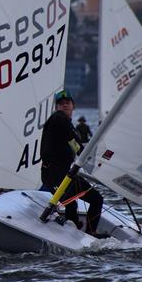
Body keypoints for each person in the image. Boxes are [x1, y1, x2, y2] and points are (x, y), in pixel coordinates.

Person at [40, 90, 104, 236]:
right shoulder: (58, 118)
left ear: (73, 106)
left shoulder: (68, 125)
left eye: (67, 103)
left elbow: (75, 144)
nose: (64, 106)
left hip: (65, 175)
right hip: (53, 175)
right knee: (71, 201)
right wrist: (83, 151)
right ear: (56, 107)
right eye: (61, 104)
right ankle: (80, 231)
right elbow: (74, 141)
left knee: (95, 199)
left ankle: (84, 230)